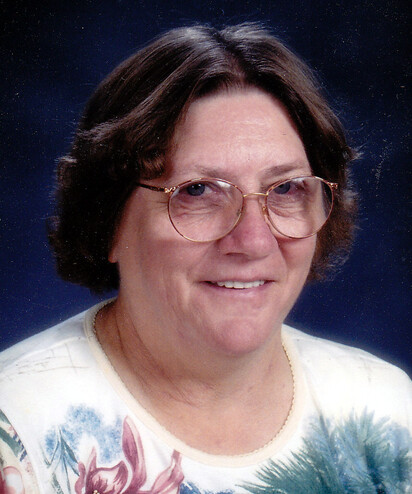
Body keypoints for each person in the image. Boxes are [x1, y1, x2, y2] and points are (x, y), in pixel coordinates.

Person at [0, 23, 410, 494]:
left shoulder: (388, 411)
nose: (254, 241)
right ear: (106, 221)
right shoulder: (18, 432)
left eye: (286, 189)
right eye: (197, 191)